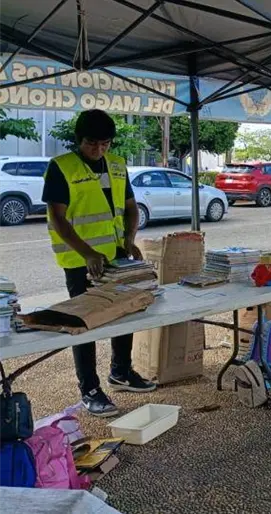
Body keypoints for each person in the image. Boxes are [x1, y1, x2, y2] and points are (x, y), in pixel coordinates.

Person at [42, 109, 155, 417]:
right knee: (83, 322)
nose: (99, 149)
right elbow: (58, 218)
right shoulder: (61, 167)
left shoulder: (117, 165)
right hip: (80, 260)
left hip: (116, 257)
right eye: (92, 143)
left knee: (127, 310)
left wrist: (129, 239)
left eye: (105, 143)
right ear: (79, 140)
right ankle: (89, 389)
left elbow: (131, 208)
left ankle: (121, 372)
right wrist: (87, 253)